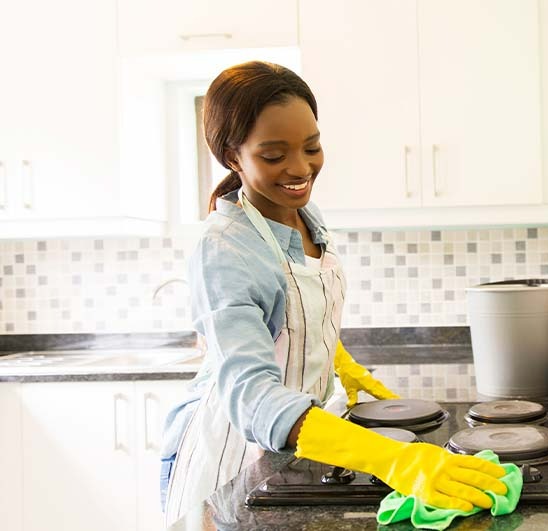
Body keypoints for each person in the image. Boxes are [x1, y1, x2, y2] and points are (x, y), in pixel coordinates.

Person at [160, 61, 507, 525]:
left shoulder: (302, 214)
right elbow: (252, 396)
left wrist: (340, 363)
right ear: (232, 155)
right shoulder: (223, 249)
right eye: (273, 155)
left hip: (298, 446)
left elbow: (292, 313)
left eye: (312, 147)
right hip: (235, 459)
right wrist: (395, 459)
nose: (300, 168)